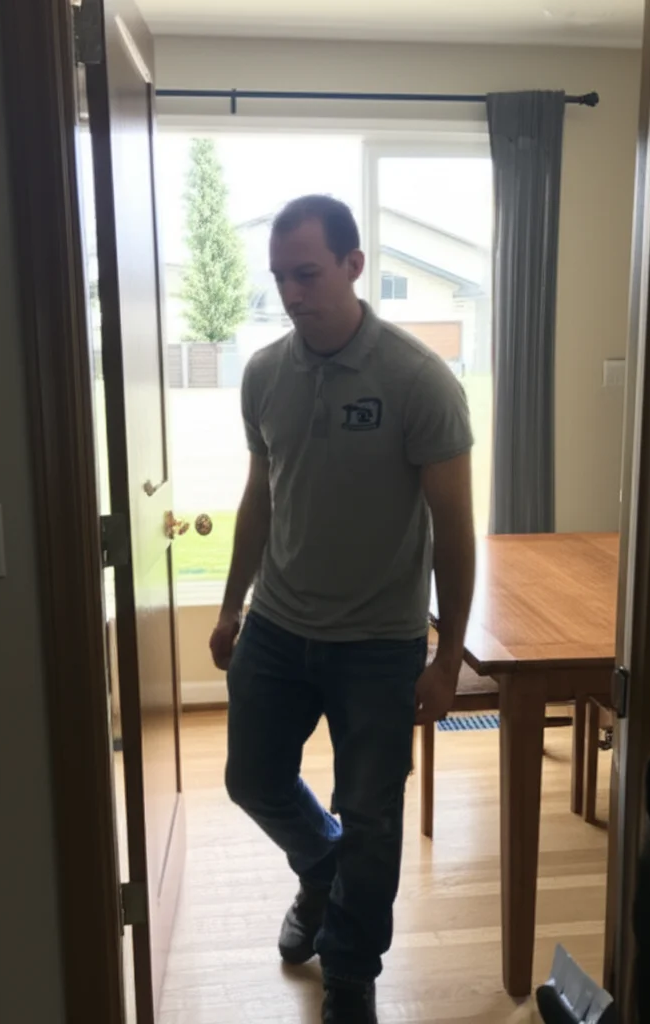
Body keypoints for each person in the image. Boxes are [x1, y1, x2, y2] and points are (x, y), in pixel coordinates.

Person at [210, 195, 475, 1024]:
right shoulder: (263, 374)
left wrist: (449, 654)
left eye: (308, 273)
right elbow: (262, 497)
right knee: (251, 778)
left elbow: (455, 529)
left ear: (354, 265)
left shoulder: (418, 379)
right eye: (281, 276)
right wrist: (231, 607)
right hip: (280, 627)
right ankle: (319, 868)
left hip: (379, 645)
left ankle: (351, 970)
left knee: (373, 818)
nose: (291, 292)